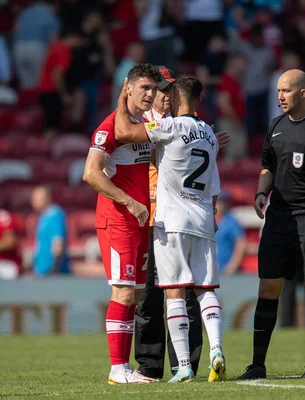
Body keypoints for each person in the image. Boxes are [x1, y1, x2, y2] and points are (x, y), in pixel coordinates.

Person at [114, 74, 226, 383]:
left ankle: (185, 367)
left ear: (175, 100)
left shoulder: (168, 127)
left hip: (171, 220)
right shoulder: (210, 134)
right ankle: (217, 349)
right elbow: (214, 183)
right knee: (205, 289)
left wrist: (123, 98)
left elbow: (124, 132)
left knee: (174, 292)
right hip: (203, 218)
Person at [237, 69, 305, 380]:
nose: (280, 96)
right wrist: (261, 192)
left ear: (303, 92)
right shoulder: (275, 126)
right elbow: (268, 165)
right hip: (278, 218)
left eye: (286, 91)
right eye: (278, 90)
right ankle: (257, 365)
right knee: (268, 288)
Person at [82, 63, 162, 385]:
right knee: (123, 292)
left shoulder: (142, 124)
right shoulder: (109, 128)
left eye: (153, 89)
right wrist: (128, 201)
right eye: (144, 88)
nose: (150, 94)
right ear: (127, 88)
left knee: (135, 294)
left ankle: (125, 369)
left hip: (140, 219)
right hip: (118, 220)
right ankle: (117, 368)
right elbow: (91, 173)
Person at [134, 66, 204, 380]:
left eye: (169, 90)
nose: (165, 96)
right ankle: (150, 365)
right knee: (149, 295)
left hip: (179, 217)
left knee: (184, 293)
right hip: (148, 216)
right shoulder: (138, 123)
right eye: (160, 90)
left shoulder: (191, 124)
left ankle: (185, 363)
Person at [30, 186, 69, 276]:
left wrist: (54, 270)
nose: (33, 201)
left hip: (51, 273)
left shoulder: (55, 215)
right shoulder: (43, 216)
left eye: (37, 198)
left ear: (47, 198)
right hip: (41, 271)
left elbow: (58, 243)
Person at [215, 191, 246, 275]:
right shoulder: (208, 220)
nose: (219, 205)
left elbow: (240, 244)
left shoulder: (231, 222)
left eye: (222, 202)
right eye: (217, 202)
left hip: (226, 269)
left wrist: (232, 266)